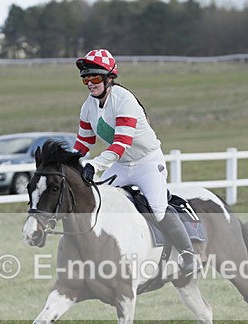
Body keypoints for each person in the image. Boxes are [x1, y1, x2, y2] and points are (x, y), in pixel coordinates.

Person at [73, 49, 198, 277]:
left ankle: (188, 254)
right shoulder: (87, 107)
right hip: (121, 164)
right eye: (85, 79)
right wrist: (68, 163)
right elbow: (83, 142)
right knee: (102, 201)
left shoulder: (125, 101)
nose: (90, 83)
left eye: (95, 78)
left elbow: (121, 144)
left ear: (109, 78)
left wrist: (95, 166)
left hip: (147, 163)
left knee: (158, 211)